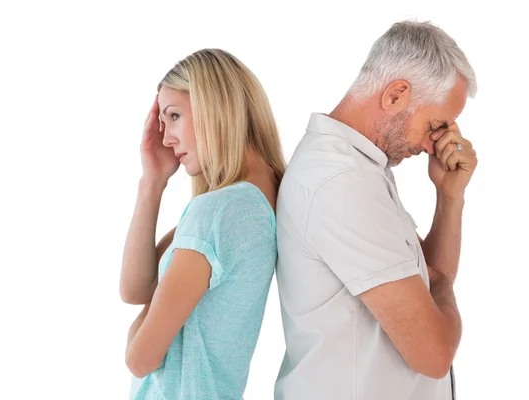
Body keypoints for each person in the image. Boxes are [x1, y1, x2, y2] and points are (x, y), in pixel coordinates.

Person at [274, 21, 478, 400]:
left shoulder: (361, 169)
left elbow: (431, 276)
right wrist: (443, 287)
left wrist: (450, 196)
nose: (434, 144)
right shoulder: (340, 181)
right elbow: (433, 354)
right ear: (397, 94)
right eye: (435, 124)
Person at [120, 48, 285, 399]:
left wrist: (153, 312)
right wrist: (153, 181)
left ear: (215, 105)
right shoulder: (262, 198)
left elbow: (140, 359)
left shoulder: (217, 212)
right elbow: (135, 288)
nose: (166, 139)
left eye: (175, 115)